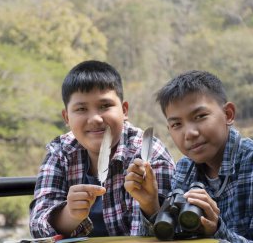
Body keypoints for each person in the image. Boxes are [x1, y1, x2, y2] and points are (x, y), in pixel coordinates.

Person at [125, 70, 253, 242]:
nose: (189, 133)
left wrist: (217, 230)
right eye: (177, 125)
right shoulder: (185, 168)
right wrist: (151, 206)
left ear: (228, 114)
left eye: (199, 116)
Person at [29, 60, 175, 238]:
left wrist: (150, 204)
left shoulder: (148, 155)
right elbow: (37, 224)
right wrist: (70, 214)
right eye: (82, 109)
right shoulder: (61, 152)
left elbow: (161, 235)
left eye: (105, 106)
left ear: (124, 110)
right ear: (66, 117)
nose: (95, 119)